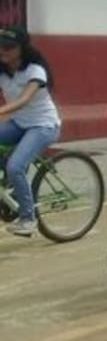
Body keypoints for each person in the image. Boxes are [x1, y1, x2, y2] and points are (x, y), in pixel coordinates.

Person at [0, 27, 61, 237]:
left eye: (9, 47)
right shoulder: (3, 69)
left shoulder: (35, 70)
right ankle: (9, 194)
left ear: (22, 49)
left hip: (43, 126)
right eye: (0, 46)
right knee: (8, 164)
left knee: (15, 166)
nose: (3, 51)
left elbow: (24, 100)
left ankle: (28, 218)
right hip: (19, 123)